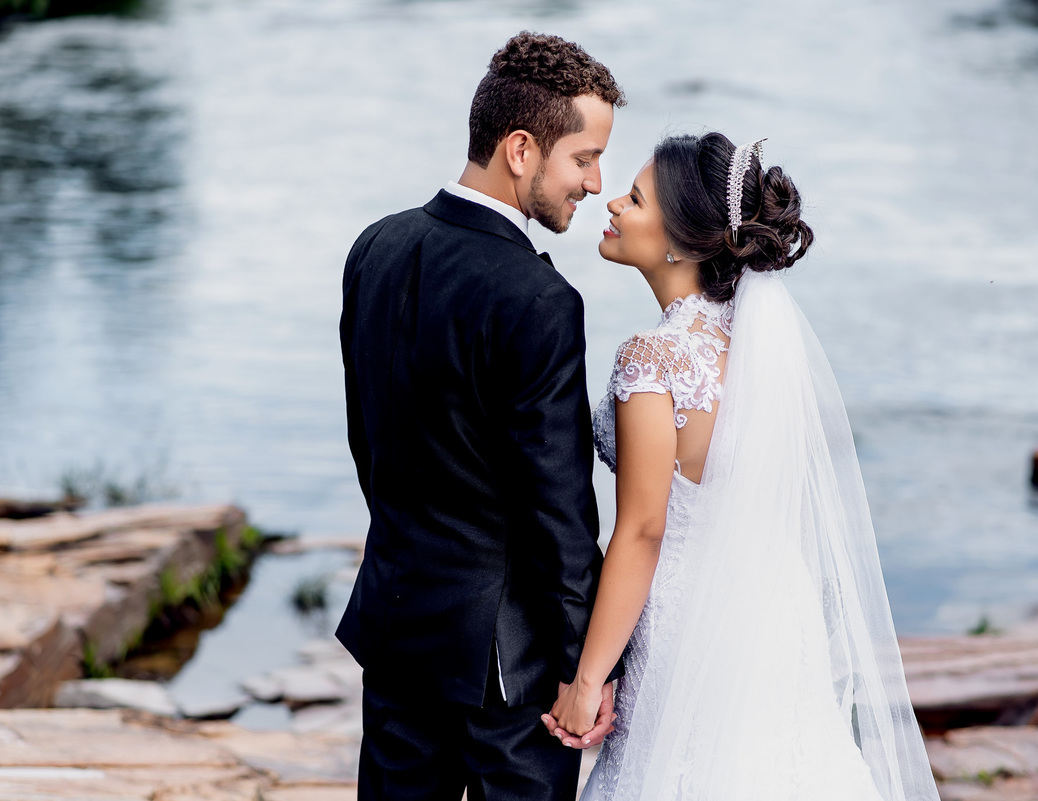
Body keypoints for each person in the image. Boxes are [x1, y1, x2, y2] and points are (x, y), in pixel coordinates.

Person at [542, 133, 941, 800]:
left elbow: (643, 530)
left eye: (634, 199)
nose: (612, 203)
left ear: (682, 242)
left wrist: (588, 681)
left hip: (687, 625)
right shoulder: (761, 350)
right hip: (776, 614)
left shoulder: (653, 358)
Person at [336, 31, 626, 801]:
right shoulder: (539, 299)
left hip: (396, 629)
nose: (595, 182)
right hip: (509, 668)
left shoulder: (375, 247)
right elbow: (558, 509)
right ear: (521, 149)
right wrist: (585, 666)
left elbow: (370, 445)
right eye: (584, 157)